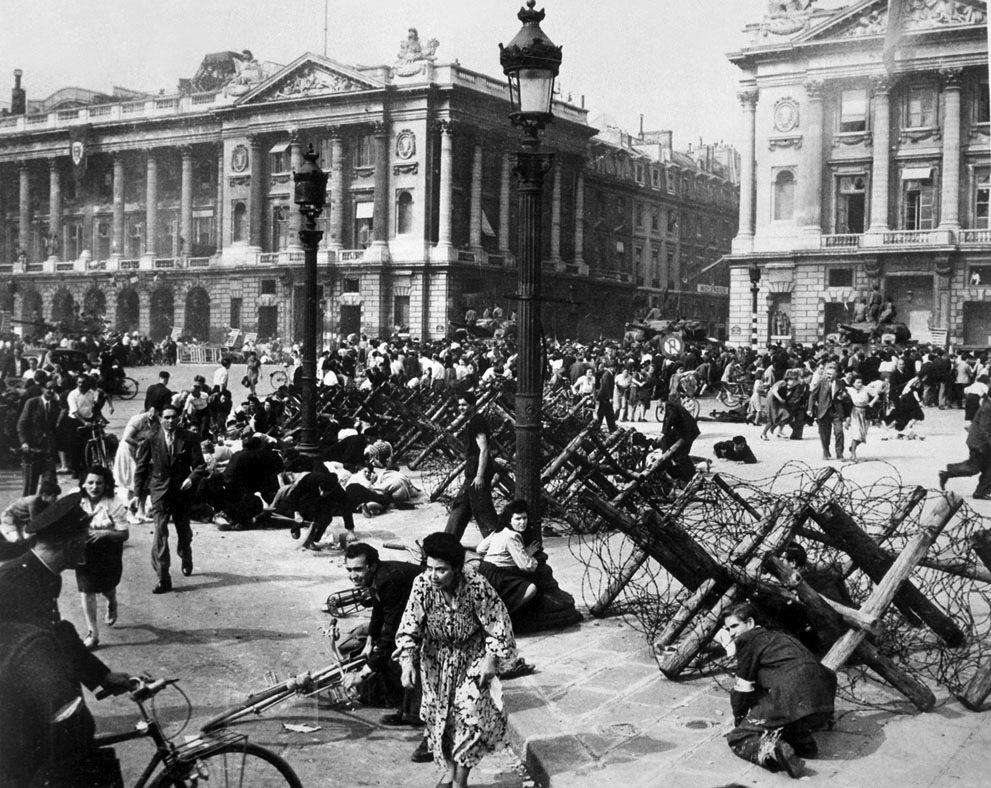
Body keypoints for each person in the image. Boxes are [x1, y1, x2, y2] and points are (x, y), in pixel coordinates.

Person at [0, 495, 134, 785]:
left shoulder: (46, 574)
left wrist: (103, 676)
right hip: (19, 717)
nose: (88, 544)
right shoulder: (10, 581)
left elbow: (57, 632)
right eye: (85, 538)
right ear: (72, 544)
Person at [395, 532, 517, 788]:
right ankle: (450, 772)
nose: (433, 575)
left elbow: (498, 624)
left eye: (441, 570)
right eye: (430, 568)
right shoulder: (422, 585)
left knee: (470, 718)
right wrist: (407, 661)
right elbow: (409, 626)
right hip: (435, 661)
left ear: (457, 569)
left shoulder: (476, 586)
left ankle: (460, 782)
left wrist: (491, 659)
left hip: (472, 657)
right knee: (441, 721)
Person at [722, 602, 836, 779]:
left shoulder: (748, 640)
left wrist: (740, 719)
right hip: (821, 702)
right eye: (728, 629)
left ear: (750, 623)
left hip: (791, 696)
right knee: (779, 718)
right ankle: (802, 741)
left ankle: (772, 752)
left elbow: (743, 686)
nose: (732, 633)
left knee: (739, 737)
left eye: (735, 626)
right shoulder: (779, 637)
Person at [345, 543, 431, 763]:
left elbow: (392, 632)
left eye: (358, 569)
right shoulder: (377, 579)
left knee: (404, 654)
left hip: (433, 612)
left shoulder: (388, 581)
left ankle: (416, 716)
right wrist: (369, 642)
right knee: (387, 654)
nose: (353, 576)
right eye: (349, 570)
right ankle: (407, 710)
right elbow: (378, 611)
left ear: (372, 566)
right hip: (416, 612)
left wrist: (362, 673)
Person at [131, 405, 207, 593]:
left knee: (184, 530)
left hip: (181, 492)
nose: (170, 421)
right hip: (159, 491)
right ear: (160, 418)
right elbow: (141, 467)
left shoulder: (189, 437)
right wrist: (136, 495)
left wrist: (191, 479)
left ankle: (185, 554)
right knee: (160, 533)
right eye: (166, 417)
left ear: (179, 418)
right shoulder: (151, 438)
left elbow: (200, 465)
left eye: (173, 417)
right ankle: (163, 577)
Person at [75, 466, 129, 650]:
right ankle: (93, 633)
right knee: (86, 589)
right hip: (84, 551)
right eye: (90, 482)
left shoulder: (114, 503)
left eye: (99, 483)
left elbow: (124, 534)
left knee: (106, 587)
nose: (94, 487)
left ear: (106, 485)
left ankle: (112, 601)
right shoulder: (75, 500)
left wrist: (105, 533)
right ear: (83, 484)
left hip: (108, 552)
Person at [445, 393, 500, 540]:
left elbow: (484, 449)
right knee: (461, 506)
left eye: (464, 405)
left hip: (477, 471)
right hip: (473, 469)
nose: (461, 408)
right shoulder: (472, 421)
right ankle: (448, 541)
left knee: (483, 509)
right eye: (460, 405)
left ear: (473, 405)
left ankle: (499, 543)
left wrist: (480, 475)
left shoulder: (477, 422)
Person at [475, 499, 540, 613]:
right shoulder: (512, 536)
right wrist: (528, 554)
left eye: (524, 518)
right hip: (498, 576)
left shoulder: (499, 531)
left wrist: (500, 555)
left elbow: (480, 549)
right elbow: (526, 566)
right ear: (510, 520)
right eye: (517, 519)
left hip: (484, 570)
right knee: (531, 588)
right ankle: (505, 613)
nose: (522, 522)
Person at [940, 390, 991, 499]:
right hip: (980, 444)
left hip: (980, 442)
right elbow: (985, 428)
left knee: (987, 467)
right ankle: (948, 472)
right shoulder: (988, 408)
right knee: (973, 468)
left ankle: (982, 491)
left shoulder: (987, 404)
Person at [17, 379, 61, 496]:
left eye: (54, 389)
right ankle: (27, 512)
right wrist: (24, 442)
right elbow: (22, 424)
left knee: (49, 487)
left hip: (48, 451)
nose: (51, 391)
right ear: (42, 389)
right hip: (32, 450)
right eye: (49, 388)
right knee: (30, 487)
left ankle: (45, 512)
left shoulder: (56, 405)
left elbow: (55, 428)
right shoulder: (32, 403)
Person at [0, 479, 61, 560]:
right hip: (9, 519)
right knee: (18, 542)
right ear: (44, 495)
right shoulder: (33, 502)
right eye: (54, 496)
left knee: (27, 541)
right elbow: (34, 523)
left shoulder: (46, 502)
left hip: (21, 521)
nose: (56, 498)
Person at [807, 364, 850, 461]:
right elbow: (812, 396)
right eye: (827, 374)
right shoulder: (821, 382)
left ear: (836, 374)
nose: (828, 376)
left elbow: (846, 396)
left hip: (837, 411)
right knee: (824, 434)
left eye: (831, 374)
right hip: (823, 411)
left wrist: (843, 397)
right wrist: (810, 409)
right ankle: (825, 452)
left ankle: (839, 454)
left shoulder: (840, 383)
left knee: (839, 432)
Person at [660, 391, 701, 483]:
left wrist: (663, 433)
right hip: (688, 432)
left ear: (660, 401)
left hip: (688, 433)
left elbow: (669, 420)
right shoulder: (672, 406)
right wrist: (663, 432)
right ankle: (689, 477)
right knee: (680, 454)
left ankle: (693, 478)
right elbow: (666, 422)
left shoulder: (670, 406)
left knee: (681, 455)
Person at [845, 374, 877, 461]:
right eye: (858, 382)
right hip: (855, 412)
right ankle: (853, 454)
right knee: (856, 434)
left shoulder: (866, 388)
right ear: (853, 383)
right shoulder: (850, 390)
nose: (860, 384)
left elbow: (876, 395)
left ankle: (852, 447)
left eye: (861, 382)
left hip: (865, 412)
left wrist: (872, 403)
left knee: (863, 435)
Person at [592, 359, 617, 432]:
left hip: (604, 397)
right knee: (605, 414)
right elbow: (606, 387)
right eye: (614, 368)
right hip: (604, 397)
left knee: (605, 413)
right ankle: (610, 428)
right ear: (611, 367)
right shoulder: (607, 374)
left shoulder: (609, 374)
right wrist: (610, 397)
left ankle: (611, 428)